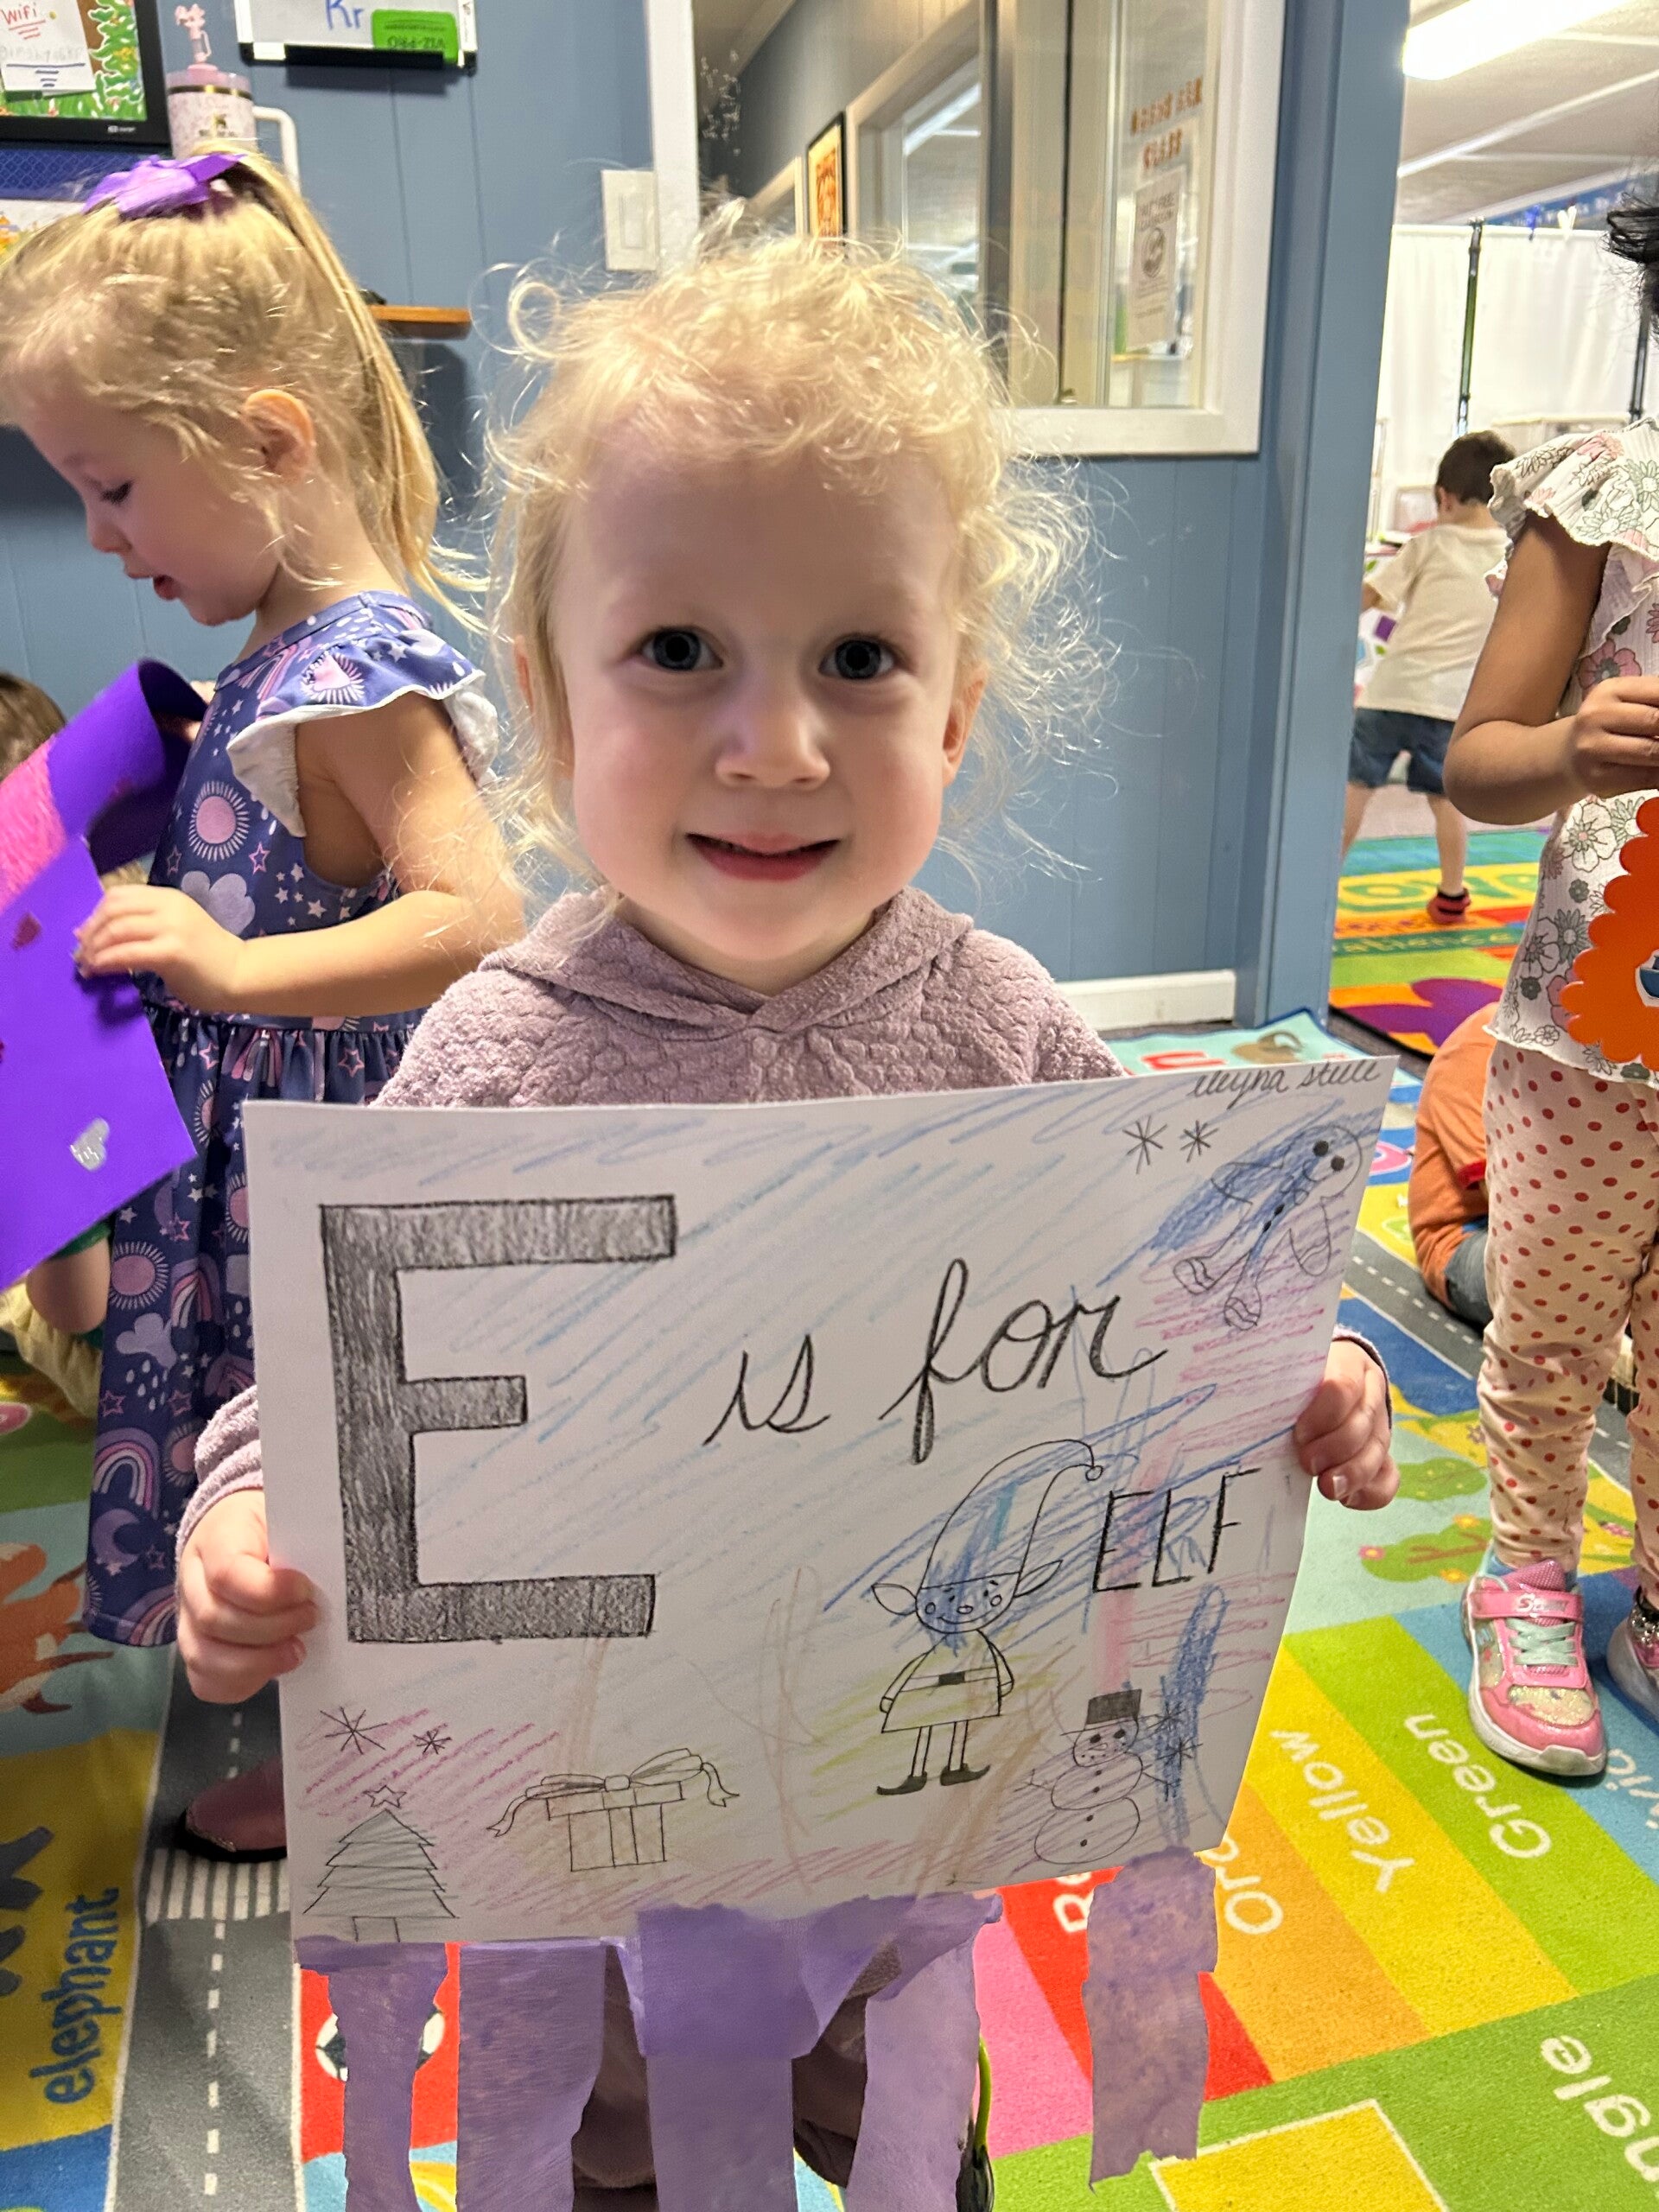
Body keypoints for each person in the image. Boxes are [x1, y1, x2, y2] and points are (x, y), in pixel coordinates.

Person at [173, 226, 1397, 2198]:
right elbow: (326, 1394)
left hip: (897, 1826)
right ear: (550, 710)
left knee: (912, 2136)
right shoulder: (495, 1056)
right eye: (679, 652)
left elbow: (1176, 1310)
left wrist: (1305, 1379)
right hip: (588, 1858)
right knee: (616, 2159)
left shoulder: (1000, 1026)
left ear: (957, 710)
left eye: (859, 658)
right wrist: (242, 1524)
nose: (774, 744)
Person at [0, 150, 520, 1846]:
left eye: (115, 487)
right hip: (249, 1160)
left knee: (348, 1453)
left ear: (273, 441)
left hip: (331, 1163)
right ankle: (339, 1727)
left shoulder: (359, 673)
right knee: (290, 1452)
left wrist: (230, 967)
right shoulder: (278, 659)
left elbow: (476, 915)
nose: (99, 536)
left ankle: (378, 1767)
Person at [1442, 196, 1659, 1779]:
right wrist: (1576, 748)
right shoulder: (1601, 498)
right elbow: (1478, 759)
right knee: (1555, 1325)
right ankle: (1523, 1576)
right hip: (1591, 1036)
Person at [1345, 430, 1512, 922]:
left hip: (1390, 693)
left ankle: (1317, 885)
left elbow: (1367, 597)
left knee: (1355, 787)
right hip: (1450, 705)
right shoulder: (1513, 555)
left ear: (1443, 496)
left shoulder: (1429, 544)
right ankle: (1452, 894)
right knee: (1446, 802)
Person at [1408, 1005, 1495, 1331]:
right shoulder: (1477, 1050)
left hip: (1570, 1224)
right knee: (1557, 1281)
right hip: (1468, 1235)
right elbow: (1504, 1201)